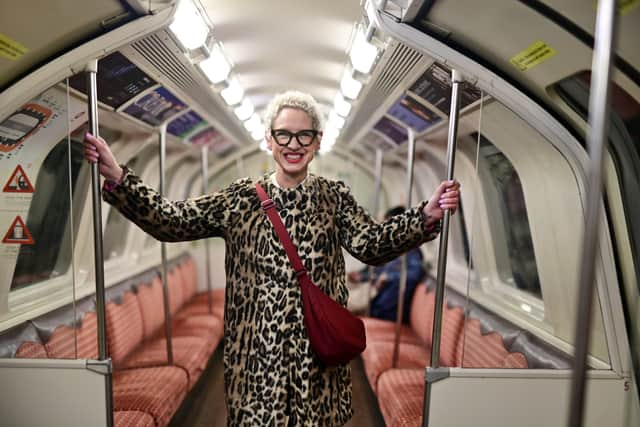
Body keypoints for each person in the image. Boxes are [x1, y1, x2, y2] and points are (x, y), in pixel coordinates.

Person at [84, 90, 460, 426]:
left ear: (317, 142)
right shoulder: (240, 199)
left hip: (317, 357)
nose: (293, 144)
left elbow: (371, 245)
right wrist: (119, 177)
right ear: (269, 139)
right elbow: (172, 221)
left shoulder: (334, 198)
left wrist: (425, 215)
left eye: (303, 135)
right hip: (256, 360)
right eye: (284, 134)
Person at [347, 206, 427, 322]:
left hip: (383, 307)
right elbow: (378, 272)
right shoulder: (393, 248)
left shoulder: (411, 250)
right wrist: (361, 277)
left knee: (341, 301)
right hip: (376, 295)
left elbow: (415, 273)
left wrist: (388, 278)